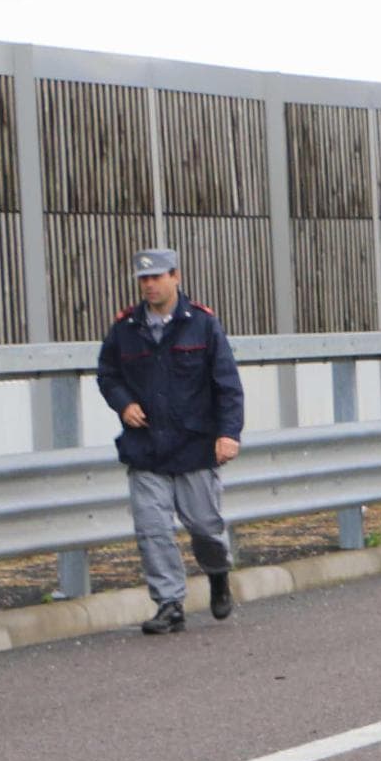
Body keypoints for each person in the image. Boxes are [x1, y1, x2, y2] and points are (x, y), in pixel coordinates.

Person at [96, 249, 243, 634]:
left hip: (194, 446)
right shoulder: (126, 328)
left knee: (205, 528)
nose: (149, 285)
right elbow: (107, 374)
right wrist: (123, 403)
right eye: (143, 279)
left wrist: (228, 434)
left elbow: (227, 384)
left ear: (175, 276)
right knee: (152, 529)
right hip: (147, 447)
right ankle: (169, 604)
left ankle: (217, 575)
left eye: (157, 277)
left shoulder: (203, 325)